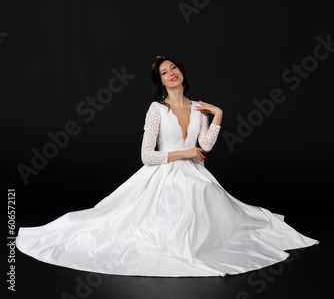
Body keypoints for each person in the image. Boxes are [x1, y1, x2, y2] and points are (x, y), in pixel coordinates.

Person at [16, 55, 319, 277]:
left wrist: (218, 114)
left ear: (182, 74)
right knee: (166, 211)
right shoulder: (157, 109)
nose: (171, 73)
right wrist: (184, 154)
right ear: (160, 82)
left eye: (174, 68)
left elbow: (207, 146)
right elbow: (147, 156)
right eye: (164, 72)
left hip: (195, 172)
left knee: (209, 196)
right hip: (164, 173)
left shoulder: (198, 109)